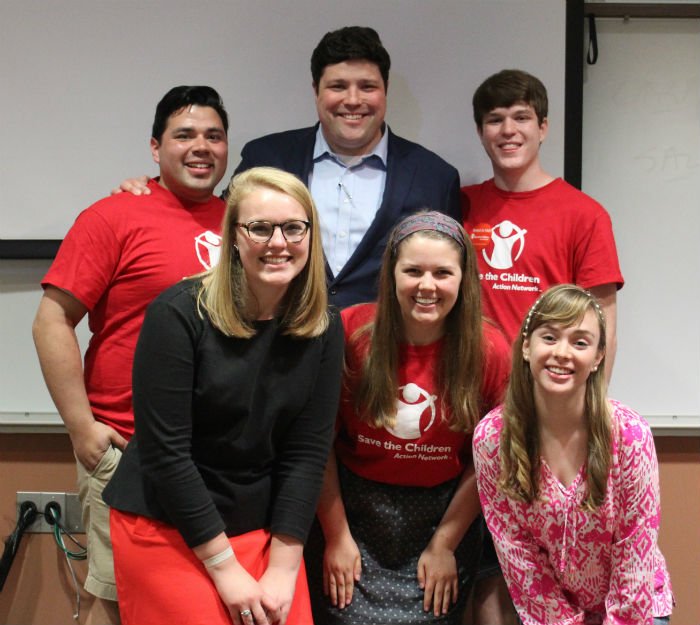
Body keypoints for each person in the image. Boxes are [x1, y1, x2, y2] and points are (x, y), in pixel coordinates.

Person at [102, 167, 345, 625]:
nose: (279, 242)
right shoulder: (177, 314)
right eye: (260, 227)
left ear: (311, 235)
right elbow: (166, 454)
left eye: (294, 227)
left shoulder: (323, 326)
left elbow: (307, 453)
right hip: (169, 522)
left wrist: (283, 568)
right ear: (233, 235)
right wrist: (224, 568)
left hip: (261, 524)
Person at [32, 85, 229, 624]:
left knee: (199, 602)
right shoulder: (113, 216)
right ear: (154, 147)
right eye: (184, 134)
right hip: (126, 446)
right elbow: (52, 321)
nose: (200, 147)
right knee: (118, 603)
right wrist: (80, 428)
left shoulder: (246, 223)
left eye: (213, 135)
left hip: (218, 459)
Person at [116, 26, 461, 308]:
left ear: (385, 92)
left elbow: (450, 277)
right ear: (316, 91)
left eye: (367, 87)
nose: (353, 100)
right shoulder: (267, 157)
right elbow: (215, 221)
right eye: (338, 86)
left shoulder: (436, 177)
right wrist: (155, 190)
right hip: (279, 357)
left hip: (385, 363)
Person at [461, 69, 625, 624]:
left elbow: (601, 328)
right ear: (481, 132)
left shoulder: (584, 214)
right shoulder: (462, 206)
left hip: (545, 421)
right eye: (495, 119)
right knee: (488, 567)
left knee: (545, 566)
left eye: (521, 117)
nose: (508, 130)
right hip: (467, 418)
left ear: (544, 127)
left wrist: (588, 417)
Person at [306, 211, 511, 624]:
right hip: (351, 512)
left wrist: (445, 545)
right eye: (413, 271)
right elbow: (316, 445)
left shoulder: (490, 350)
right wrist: (336, 535)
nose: (427, 286)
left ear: (463, 279)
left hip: (442, 516)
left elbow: (488, 463)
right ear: (391, 274)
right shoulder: (348, 332)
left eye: (442, 273)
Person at [473, 284, 673, 625]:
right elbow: (519, 556)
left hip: (635, 609)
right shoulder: (492, 439)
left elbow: (634, 551)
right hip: (551, 614)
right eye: (549, 337)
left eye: (580, 342)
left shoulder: (629, 435)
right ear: (526, 346)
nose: (562, 353)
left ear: (597, 358)